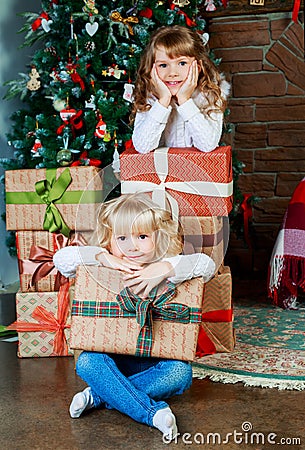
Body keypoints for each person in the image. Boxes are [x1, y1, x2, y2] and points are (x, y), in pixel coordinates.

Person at [53, 193, 216, 441]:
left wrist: (164, 268)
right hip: (114, 359)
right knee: (86, 362)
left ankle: (99, 395)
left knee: (181, 373)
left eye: (142, 237)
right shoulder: (106, 263)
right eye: (122, 238)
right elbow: (61, 260)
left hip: (156, 360)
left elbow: (206, 265)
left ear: (157, 237)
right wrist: (103, 256)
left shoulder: (167, 266)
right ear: (111, 239)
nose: (132, 246)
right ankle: (153, 413)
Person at [131, 25, 230, 154]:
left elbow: (208, 145)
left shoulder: (210, 96)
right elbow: (142, 147)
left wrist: (184, 100)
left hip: (197, 172)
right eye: (163, 65)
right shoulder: (150, 98)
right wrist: (163, 101)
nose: (172, 73)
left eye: (182, 63)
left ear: (198, 67)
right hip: (160, 172)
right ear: (152, 69)